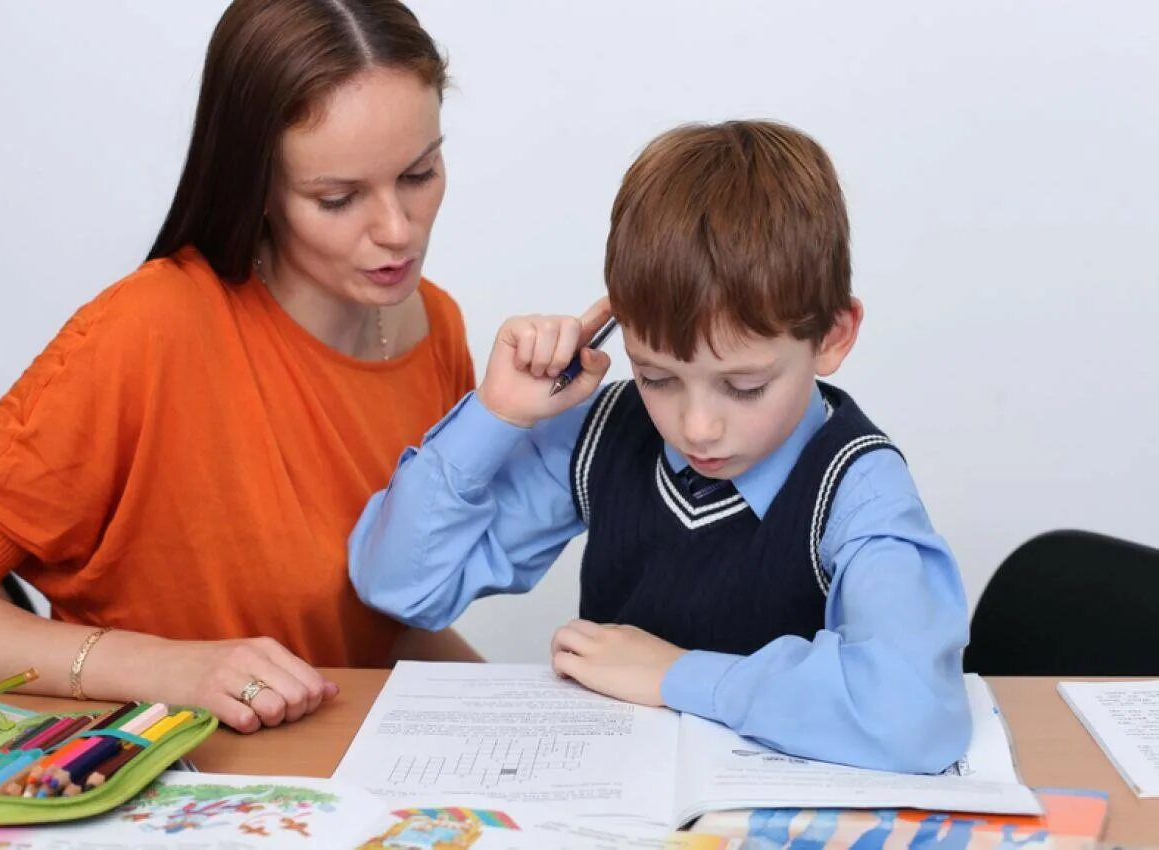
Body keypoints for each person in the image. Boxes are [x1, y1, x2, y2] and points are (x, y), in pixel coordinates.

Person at [0, 0, 480, 733]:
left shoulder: (437, 328)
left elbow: (380, 618)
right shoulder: (148, 332)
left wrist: (533, 714)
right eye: (338, 198)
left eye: (419, 174)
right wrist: (164, 665)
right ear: (255, 185)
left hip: (338, 777)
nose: (397, 230)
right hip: (166, 787)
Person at [350, 120, 971, 773]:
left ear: (831, 336)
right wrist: (496, 414)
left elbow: (912, 715)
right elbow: (402, 588)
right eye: (656, 377)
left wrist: (676, 674)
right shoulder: (602, 432)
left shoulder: (856, 487)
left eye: (744, 385)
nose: (696, 426)